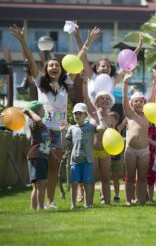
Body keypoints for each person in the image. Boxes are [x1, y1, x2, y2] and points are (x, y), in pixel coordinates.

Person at [9, 25, 84, 209]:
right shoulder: (40, 82)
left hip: (59, 130)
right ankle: (38, 203)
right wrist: (23, 41)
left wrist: (87, 42)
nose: (54, 67)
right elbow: (31, 60)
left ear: (61, 70)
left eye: (56, 65)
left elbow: (78, 59)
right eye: (51, 65)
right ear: (46, 69)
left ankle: (50, 202)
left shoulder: (66, 83)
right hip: (43, 130)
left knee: (54, 167)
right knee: (41, 167)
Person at [73, 25, 143, 101]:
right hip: (91, 111)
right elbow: (83, 56)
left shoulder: (113, 80)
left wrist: (138, 48)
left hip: (105, 112)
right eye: (103, 66)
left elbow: (128, 61)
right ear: (97, 68)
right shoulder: (92, 76)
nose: (106, 68)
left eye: (108, 66)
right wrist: (77, 36)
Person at [62, 103, 106, 209]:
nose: (77, 116)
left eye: (79, 113)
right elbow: (64, 144)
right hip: (75, 160)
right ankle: (73, 204)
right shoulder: (71, 128)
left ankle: (87, 204)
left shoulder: (90, 127)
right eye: (75, 114)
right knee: (74, 183)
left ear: (85, 115)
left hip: (88, 160)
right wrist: (62, 131)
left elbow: (103, 127)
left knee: (87, 183)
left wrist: (99, 114)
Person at [82, 77, 115, 205]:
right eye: (102, 98)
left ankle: (107, 202)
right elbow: (85, 96)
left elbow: (112, 135)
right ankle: (88, 203)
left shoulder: (111, 119)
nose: (105, 100)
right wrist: (84, 82)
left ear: (110, 103)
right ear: (96, 102)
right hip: (93, 151)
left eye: (107, 98)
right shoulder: (92, 114)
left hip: (106, 152)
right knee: (91, 179)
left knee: (106, 178)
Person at [122, 73, 154, 206]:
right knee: (129, 177)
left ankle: (141, 200)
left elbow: (152, 100)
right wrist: (125, 84)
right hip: (130, 150)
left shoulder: (148, 115)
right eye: (136, 101)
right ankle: (128, 200)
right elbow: (124, 99)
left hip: (144, 151)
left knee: (142, 177)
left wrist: (155, 84)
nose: (139, 103)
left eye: (141, 101)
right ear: (132, 103)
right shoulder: (129, 114)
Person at [24, 101, 50, 210]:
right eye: (42, 109)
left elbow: (46, 142)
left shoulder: (43, 126)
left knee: (39, 184)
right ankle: (40, 207)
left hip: (42, 156)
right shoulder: (34, 123)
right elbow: (38, 119)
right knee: (41, 183)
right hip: (36, 155)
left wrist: (53, 154)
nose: (44, 110)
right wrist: (29, 112)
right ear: (37, 112)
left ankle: (34, 208)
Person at [109, 111, 123, 203]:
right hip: (106, 157)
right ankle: (103, 195)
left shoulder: (118, 128)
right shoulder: (105, 129)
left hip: (117, 157)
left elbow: (126, 120)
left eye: (111, 118)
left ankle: (117, 195)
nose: (109, 120)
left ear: (116, 120)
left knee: (116, 177)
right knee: (105, 177)